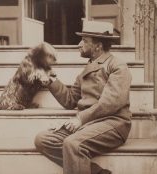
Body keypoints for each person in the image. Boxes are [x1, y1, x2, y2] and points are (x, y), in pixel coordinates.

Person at [34, 21, 132, 174]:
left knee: (73, 144)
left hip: (113, 123)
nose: (79, 44)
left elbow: (111, 103)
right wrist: (51, 81)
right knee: (43, 140)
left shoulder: (117, 66)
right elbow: (70, 100)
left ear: (97, 46)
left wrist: (80, 119)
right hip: (89, 124)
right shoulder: (86, 70)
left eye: (84, 41)